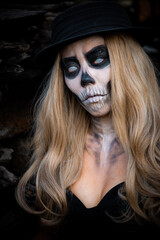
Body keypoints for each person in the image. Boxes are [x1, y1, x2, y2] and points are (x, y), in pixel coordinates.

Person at [15, 1, 160, 238]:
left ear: (127, 63)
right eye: (71, 68)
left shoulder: (156, 148)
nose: (85, 79)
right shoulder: (58, 152)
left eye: (98, 59)